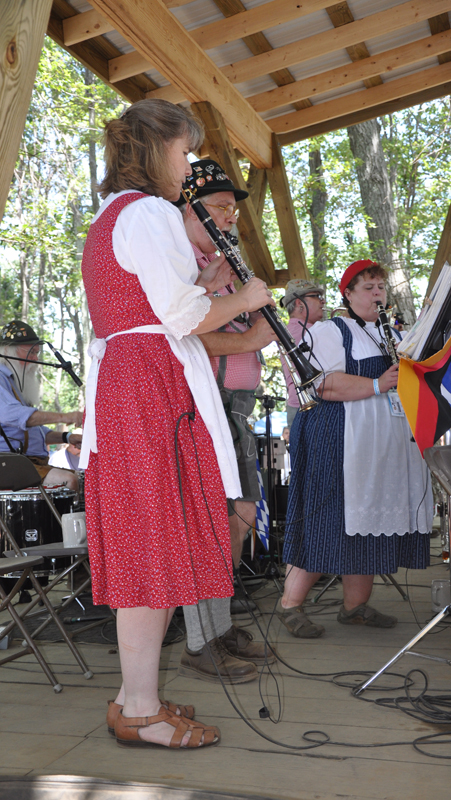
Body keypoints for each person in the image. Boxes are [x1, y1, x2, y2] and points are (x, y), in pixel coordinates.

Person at [80, 99, 274, 750]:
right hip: (151, 388)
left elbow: (154, 299)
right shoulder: (151, 212)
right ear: (155, 148)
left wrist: (205, 278)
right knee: (154, 541)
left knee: (148, 541)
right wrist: (243, 299)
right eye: (183, 151)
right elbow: (183, 317)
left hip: (130, 383)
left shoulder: (112, 215)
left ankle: (136, 696)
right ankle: (139, 707)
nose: (187, 165)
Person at [278, 260, 432, 638]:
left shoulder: (390, 336)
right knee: (326, 519)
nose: (378, 294)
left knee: (365, 523)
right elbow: (321, 386)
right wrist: (378, 384)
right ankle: (289, 606)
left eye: (381, 287)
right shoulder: (332, 330)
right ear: (347, 294)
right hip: (335, 439)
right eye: (368, 288)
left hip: (376, 446)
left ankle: (355, 606)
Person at [176, 159, 277, 682]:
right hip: (202, 400)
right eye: (219, 207)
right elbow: (181, 336)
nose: (230, 218)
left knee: (235, 515)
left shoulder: (211, 261)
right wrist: (248, 337)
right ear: (189, 208)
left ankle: (218, 623)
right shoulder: (175, 256)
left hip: (234, 404)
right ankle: (202, 638)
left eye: (232, 209)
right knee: (212, 518)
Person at [0, 320, 82, 489]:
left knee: (86, 480)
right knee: (69, 481)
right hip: (8, 463)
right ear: (9, 351)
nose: (36, 359)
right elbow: (12, 415)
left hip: (26, 464)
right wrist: (68, 416)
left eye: (37, 352)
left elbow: (32, 432)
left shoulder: (14, 383)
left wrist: (67, 437)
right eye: (31, 352)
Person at [280, 280, 325, 426]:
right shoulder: (309, 331)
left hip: (297, 405)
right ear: (300, 304)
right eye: (317, 296)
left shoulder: (290, 330)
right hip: (312, 404)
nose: (322, 301)